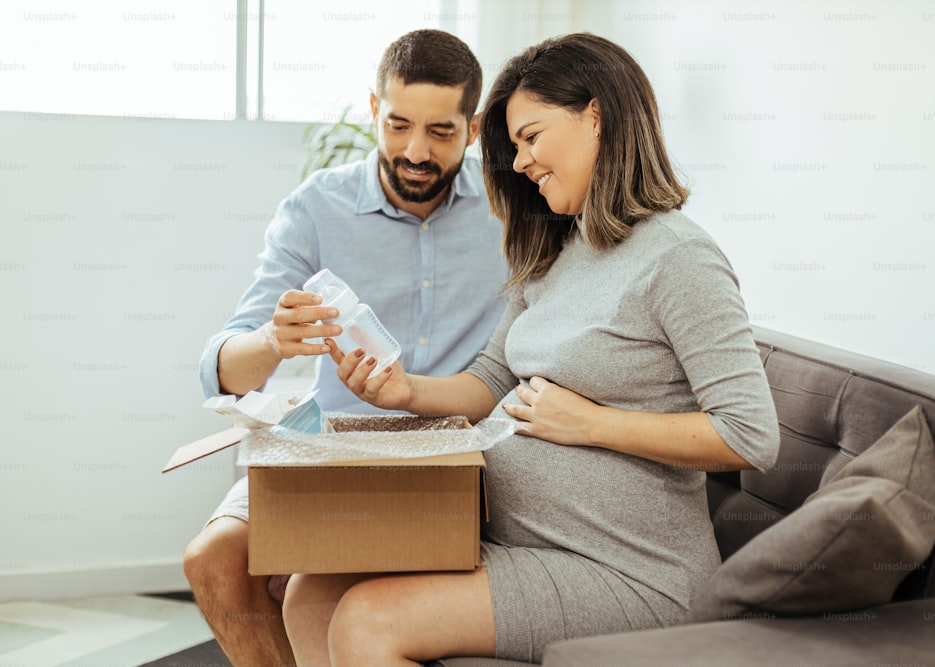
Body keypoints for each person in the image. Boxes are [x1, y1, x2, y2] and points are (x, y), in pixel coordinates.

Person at [281, 32, 781, 666]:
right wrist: (405, 391)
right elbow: (491, 377)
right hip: (515, 541)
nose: (519, 163)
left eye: (531, 138)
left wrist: (594, 424)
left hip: (630, 571)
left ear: (595, 116)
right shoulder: (556, 250)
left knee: (368, 623)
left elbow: (751, 435)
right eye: (513, 146)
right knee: (310, 597)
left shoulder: (679, 257)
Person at [181, 30, 509, 667]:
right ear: (373, 109)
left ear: (471, 131)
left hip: (451, 448)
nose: (415, 151)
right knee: (211, 558)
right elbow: (222, 370)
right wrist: (274, 340)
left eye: (440, 133)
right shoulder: (314, 209)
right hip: (333, 445)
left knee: (313, 592)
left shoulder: (510, 209)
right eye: (398, 125)